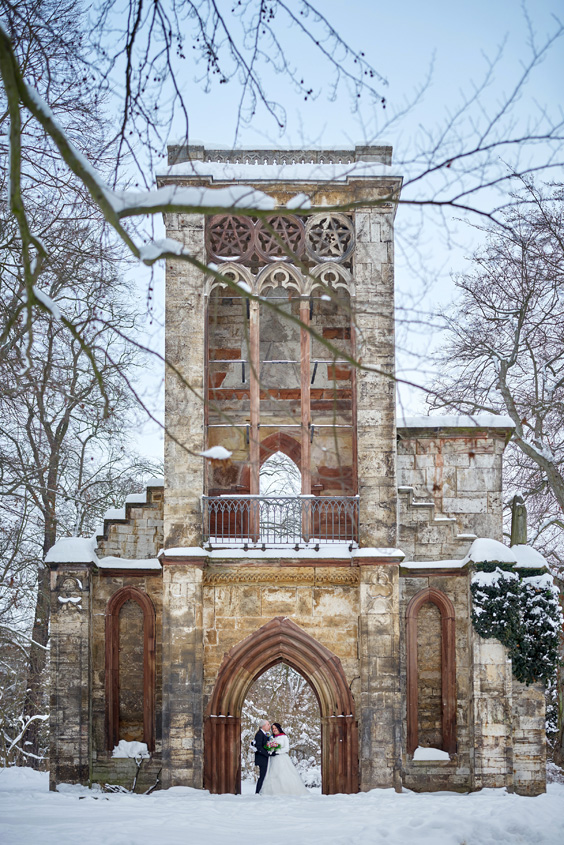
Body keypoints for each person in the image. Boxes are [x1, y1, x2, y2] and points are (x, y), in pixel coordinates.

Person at [260, 722, 308, 796]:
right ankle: (273, 791)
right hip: (273, 759)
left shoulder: (284, 737)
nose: (274, 730)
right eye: (273, 729)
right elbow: (269, 747)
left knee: (283, 774)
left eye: (275, 728)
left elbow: (286, 748)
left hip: (282, 758)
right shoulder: (272, 737)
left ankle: (286, 791)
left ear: (279, 728)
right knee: (273, 775)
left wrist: (278, 752)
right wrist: (270, 751)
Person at [254, 719, 271, 794]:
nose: (269, 726)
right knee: (262, 776)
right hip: (262, 758)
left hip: (264, 758)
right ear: (263, 726)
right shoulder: (259, 734)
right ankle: (258, 792)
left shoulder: (265, 734)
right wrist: (267, 754)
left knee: (264, 775)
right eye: (268, 724)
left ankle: (261, 791)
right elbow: (259, 747)